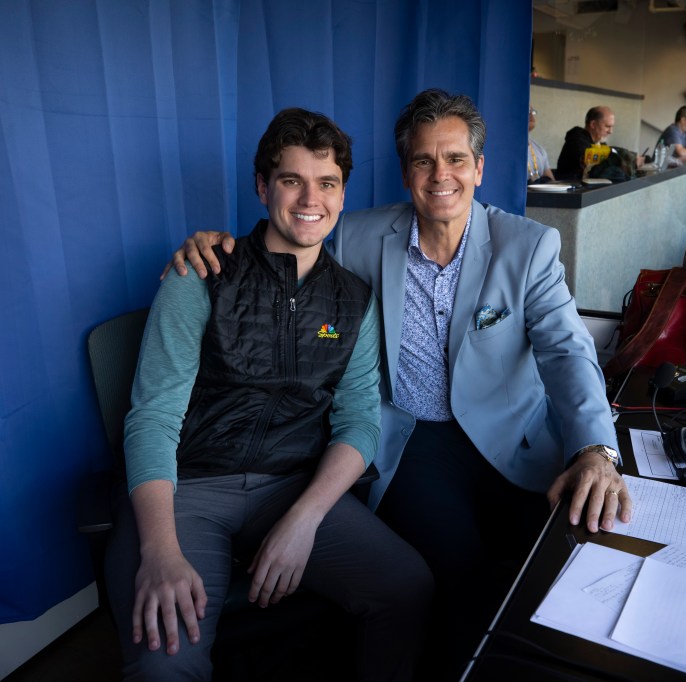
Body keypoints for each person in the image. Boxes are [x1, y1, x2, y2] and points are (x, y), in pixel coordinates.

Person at [168, 88, 632, 677]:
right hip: (412, 441)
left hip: (513, 439)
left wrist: (595, 448)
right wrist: (216, 246)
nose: (441, 175)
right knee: (459, 572)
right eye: (423, 160)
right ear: (406, 170)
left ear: (480, 168)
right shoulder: (358, 238)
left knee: (562, 559)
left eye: (456, 159)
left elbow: (568, 351)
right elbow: (291, 236)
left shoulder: (529, 245)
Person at [105, 108, 433, 681]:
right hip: (190, 489)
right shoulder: (201, 274)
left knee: (408, 588)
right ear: (263, 187)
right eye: (292, 180)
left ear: (341, 193)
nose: (311, 198)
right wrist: (158, 549)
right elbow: (153, 418)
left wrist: (305, 518)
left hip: (292, 485)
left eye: (326, 183)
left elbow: (359, 421)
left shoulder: (353, 300)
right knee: (166, 665)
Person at [555, 105, 615, 180]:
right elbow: (591, 165)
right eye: (607, 126)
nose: (610, 131)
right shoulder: (576, 140)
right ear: (593, 124)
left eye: (612, 127)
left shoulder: (600, 143)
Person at [527, 106, 555, 183]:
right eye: (528, 111)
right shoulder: (504, 149)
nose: (532, 115)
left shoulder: (539, 150)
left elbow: (551, 182)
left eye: (532, 112)